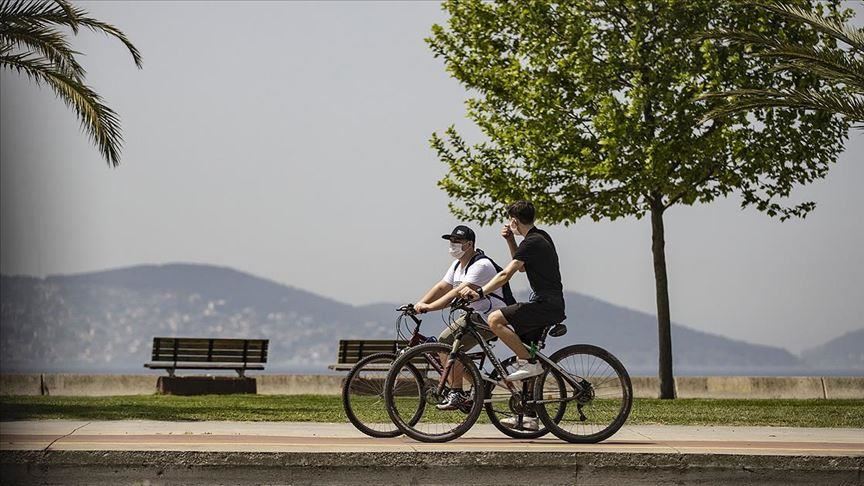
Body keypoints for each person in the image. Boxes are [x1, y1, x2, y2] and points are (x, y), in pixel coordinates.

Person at [459, 201, 566, 429]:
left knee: (495, 319)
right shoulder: (539, 237)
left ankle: (528, 362)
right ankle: (530, 417)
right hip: (548, 304)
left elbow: (506, 274)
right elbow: (524, 266)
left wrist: (480, 292)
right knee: (527, 351)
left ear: (515, 221)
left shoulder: (533, 241)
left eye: (510, 220)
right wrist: (510, 240)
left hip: (545, 305)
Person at [414, 225, 509, 410]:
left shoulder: (481, 265)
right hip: (473, 316)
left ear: (470, 244)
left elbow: (456, 292)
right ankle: (478, 384)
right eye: (451, 241)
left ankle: (456, 392)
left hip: (490, 317)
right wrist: (419, 303)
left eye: (457, 241)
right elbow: (442, 286)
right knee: (452, 350)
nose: (453, 244)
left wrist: (430, 307)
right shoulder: (457, 265)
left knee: (445, 342)